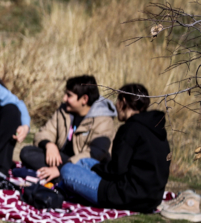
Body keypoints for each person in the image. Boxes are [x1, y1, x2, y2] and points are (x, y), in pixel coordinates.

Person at [58, 84, 170, 212]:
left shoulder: (130, 129)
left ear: (123, 102)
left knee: (67, 170)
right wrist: (97, 168)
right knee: (85, 162)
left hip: (123, 196)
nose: (116, 105)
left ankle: (59, 191)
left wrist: (97, 169)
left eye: (117, 100)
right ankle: (63, 190)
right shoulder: (155, 129)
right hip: (151, 199)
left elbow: (117, 170)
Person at [20, 75, 117, 182]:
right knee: (26, 152)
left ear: (84, 99)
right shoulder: (63, 110)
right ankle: (58, 177)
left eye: (69, 95)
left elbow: (94, 154)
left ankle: (59, 176)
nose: (64, 99)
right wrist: (49, 145)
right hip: (62, 159)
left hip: (84, 166)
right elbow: (45, 132)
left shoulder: (104, 120)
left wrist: (61, 168)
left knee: (85, 174)